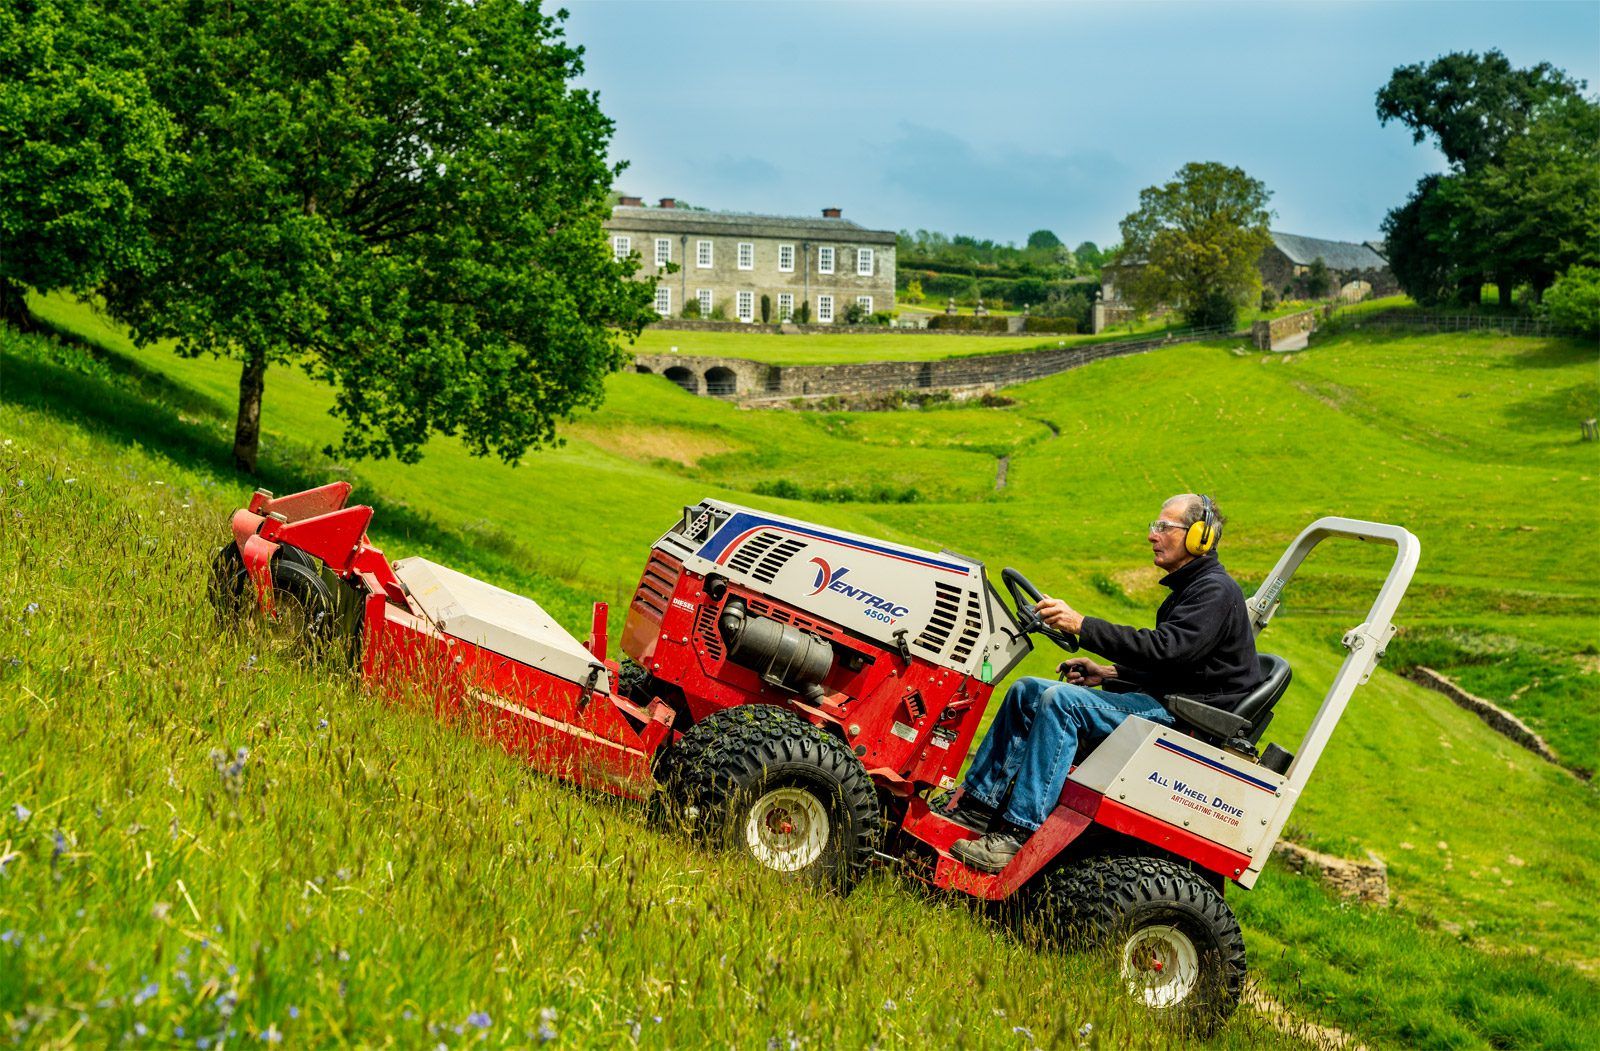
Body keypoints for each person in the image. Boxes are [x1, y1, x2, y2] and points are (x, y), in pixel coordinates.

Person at [946, 493, 1264, 874]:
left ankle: (1017, 835)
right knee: (1027, 689)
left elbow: (1168, 651)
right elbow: (1182, 665)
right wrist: (1108, 673)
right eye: (1154, 526)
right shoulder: (1192, 589)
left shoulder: (1214, 591)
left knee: (1062, 703)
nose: (1153, 535)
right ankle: (978, 805)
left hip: (1186, 721)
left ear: (1200, 537)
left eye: (1164, 527)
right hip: (1169, 697)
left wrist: (1082, 625)